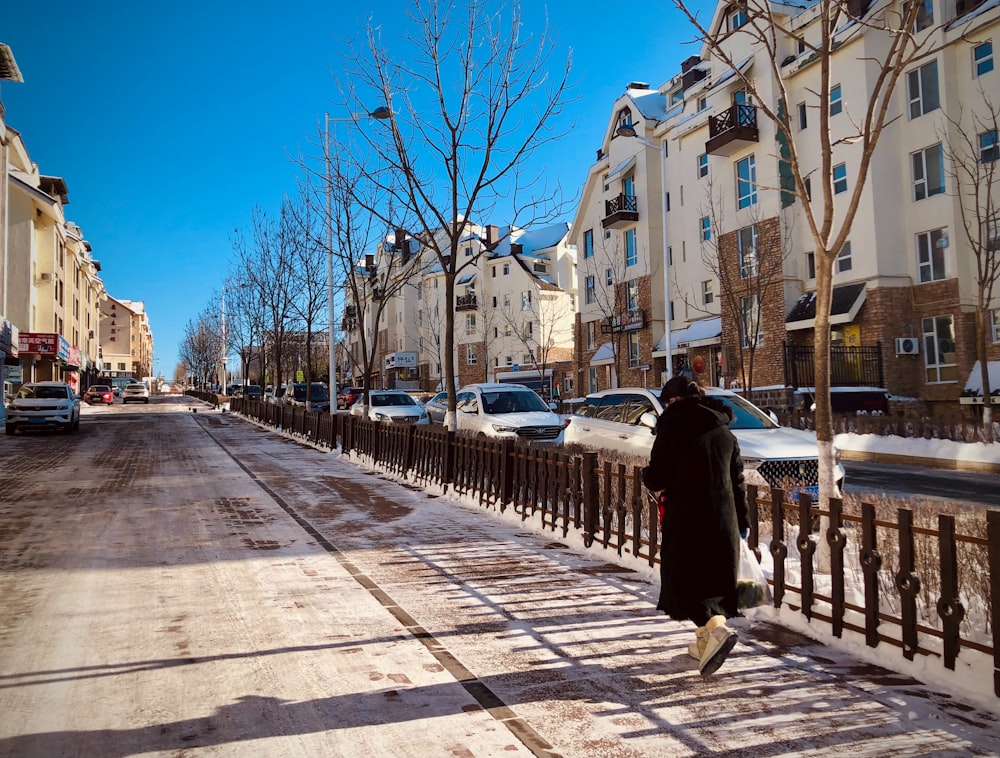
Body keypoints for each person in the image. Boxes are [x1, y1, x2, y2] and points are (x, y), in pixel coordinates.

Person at [642, 376, 750, 676]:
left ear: (673, 401)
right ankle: (704, 643)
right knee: (714, 578)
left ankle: (716, 630)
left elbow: (658, 475)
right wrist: (743, 521)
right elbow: (737, 479)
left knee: (684, 580)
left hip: (687, 516)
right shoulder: (725, 431)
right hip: (724, 518)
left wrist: (646, 476)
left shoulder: (673, 425)